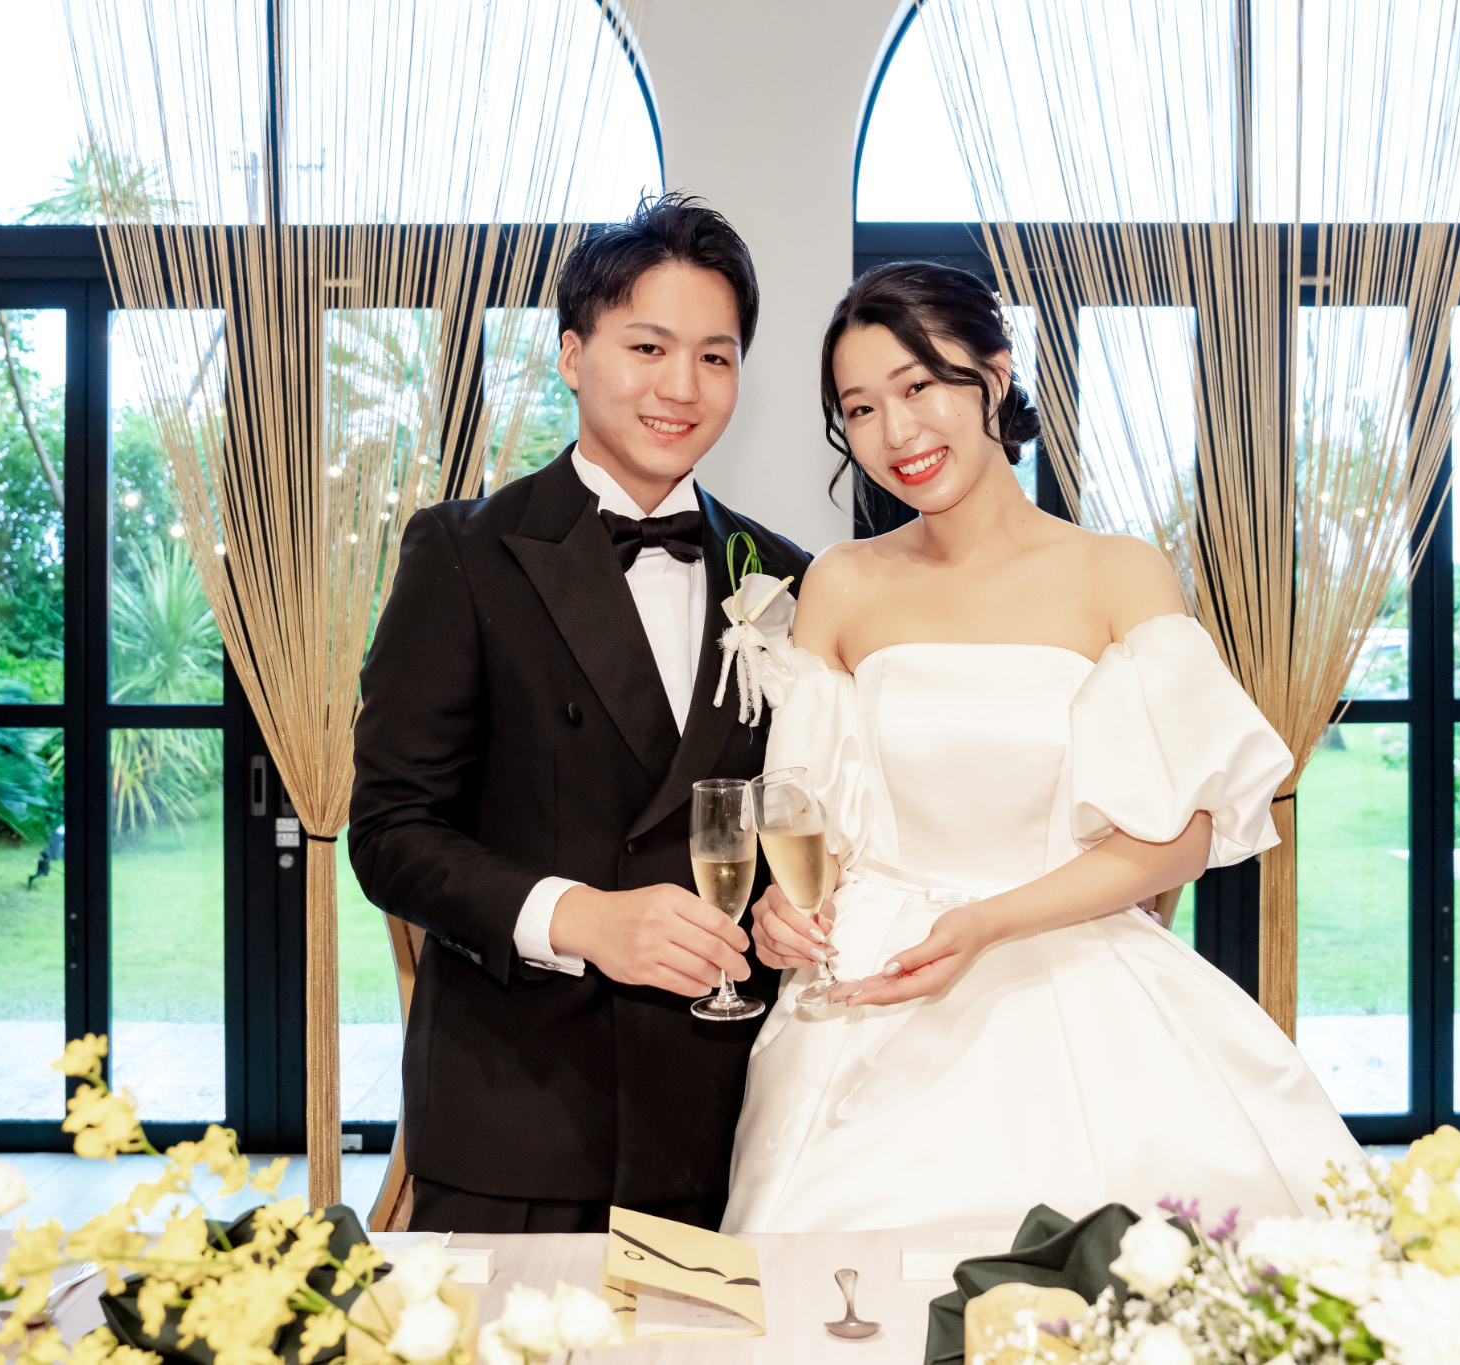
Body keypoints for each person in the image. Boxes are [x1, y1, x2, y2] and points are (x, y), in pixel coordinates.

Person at [721, 261, 1363, 1234]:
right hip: (870, 984)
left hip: (1074, 972)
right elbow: (817, 820)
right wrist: (786, 908)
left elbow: (1183, 838)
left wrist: (986, 923)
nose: (895, 432)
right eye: (859, 408)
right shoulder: (841, 582)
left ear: (994, 371)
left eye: (917, 385)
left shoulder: (1116, 573)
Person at [349, 193, 810, 1234]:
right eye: (648, 347)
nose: (681, 387)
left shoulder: (784, 575)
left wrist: (787, 906)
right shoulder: (464, 553)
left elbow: (803, 808)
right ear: (570, 353)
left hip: (733, 1119)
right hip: (520, 1118)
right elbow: (390, 833)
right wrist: (583, 918)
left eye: (716, 356)